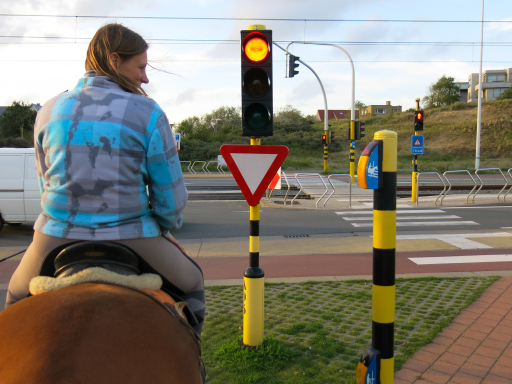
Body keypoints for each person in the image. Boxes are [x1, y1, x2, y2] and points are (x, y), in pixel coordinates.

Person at [5, 23, 205, 336]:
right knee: (193, 282)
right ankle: (195, 360)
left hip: (57, 233)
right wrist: (164, 228)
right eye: (140, 66)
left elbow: (46, 183)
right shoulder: (149, 112)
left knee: (15, 297)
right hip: (132, 233)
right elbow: (170, 198)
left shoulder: (48, 110)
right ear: (114, 60)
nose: (145, 77)